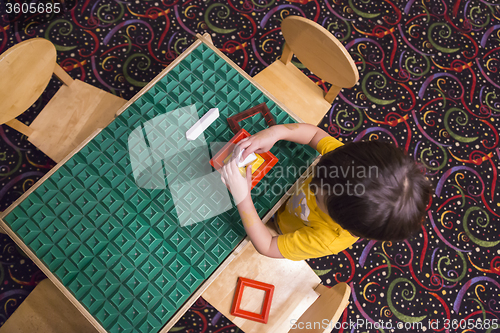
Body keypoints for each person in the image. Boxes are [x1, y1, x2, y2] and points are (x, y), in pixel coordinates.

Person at [220, 123, 432, 261]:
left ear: (339, 221)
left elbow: (267, 246)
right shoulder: (348, 165)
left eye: (318, 194)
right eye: (319, 174)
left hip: (279, 226)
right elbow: (314, 134)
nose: (313, 185)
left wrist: (243, 198)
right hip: (286, 195)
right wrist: (275, 133)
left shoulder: (327, 239)